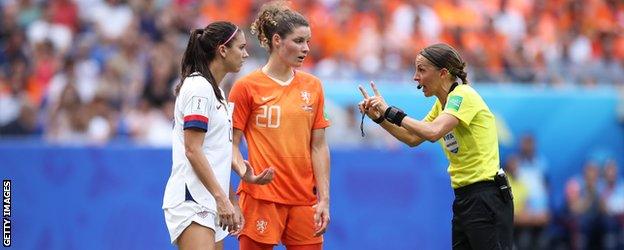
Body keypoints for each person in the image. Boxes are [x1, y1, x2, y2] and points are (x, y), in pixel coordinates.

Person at [358, 43, 513, 249]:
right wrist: (380, 119)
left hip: (485, 197)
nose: (415, 77)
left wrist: (390, 111)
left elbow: (432, 132)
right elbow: (412, 138)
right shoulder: (443, 104)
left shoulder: (464, 95)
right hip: (465, 198)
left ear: (443, 73)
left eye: (421, 70)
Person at [228, 1, 331, 249]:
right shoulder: (246, 87)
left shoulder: (313, 86)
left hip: (305, 199)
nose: (305, 48)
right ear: (276, 40)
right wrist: (245, 173)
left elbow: (318, 147)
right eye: (298, 41)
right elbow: (230, 144)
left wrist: (324, 200)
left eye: (307, 41)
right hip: (261, 197)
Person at [162, 21, 262, 250]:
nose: (246, 54)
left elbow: (213, 155)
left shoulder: (216, 93)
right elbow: (193, 149)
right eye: (241, 47)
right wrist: (222, 199)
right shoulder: (199, 88)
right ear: (223, 50)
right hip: (192, 200)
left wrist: (231, 200)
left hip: (211, 201)